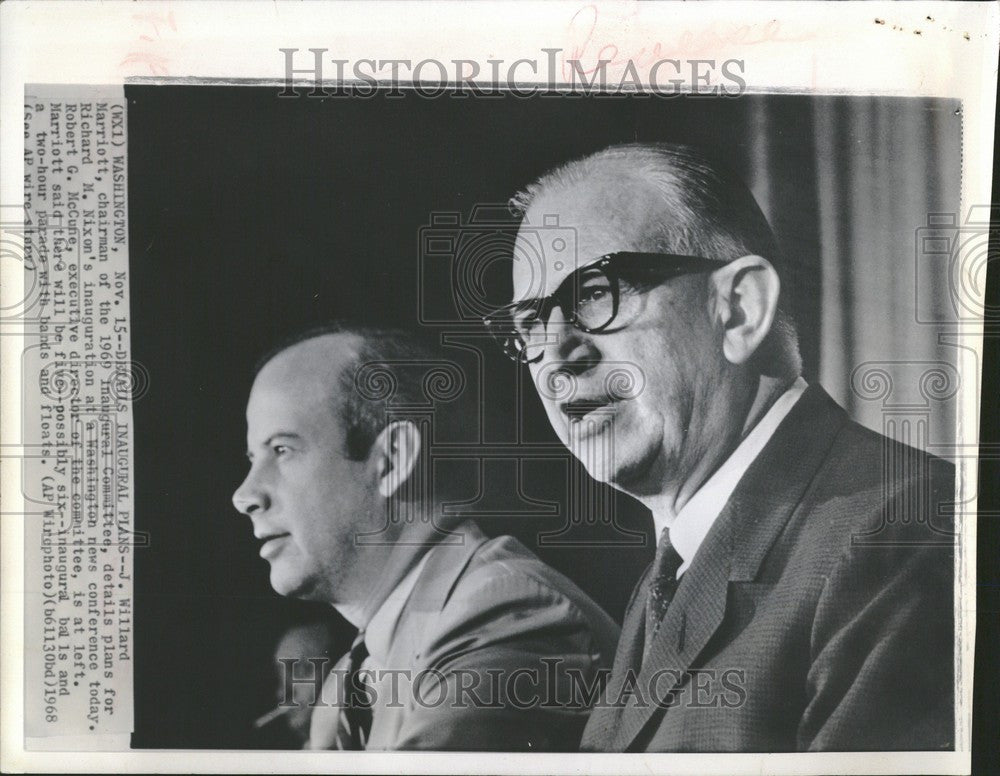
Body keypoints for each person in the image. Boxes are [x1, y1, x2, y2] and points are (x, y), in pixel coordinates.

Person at [485, 143, 955, 752]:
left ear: (739, 309)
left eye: (595, 294)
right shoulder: (672, 572)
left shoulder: (901, 534)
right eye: (530, 324)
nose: (556, 357)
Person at [231, 323, 620, 751]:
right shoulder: (349, 682)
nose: (245, 495)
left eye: (282, 450)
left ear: (393, 460)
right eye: (253, 458)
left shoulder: (504, 616)